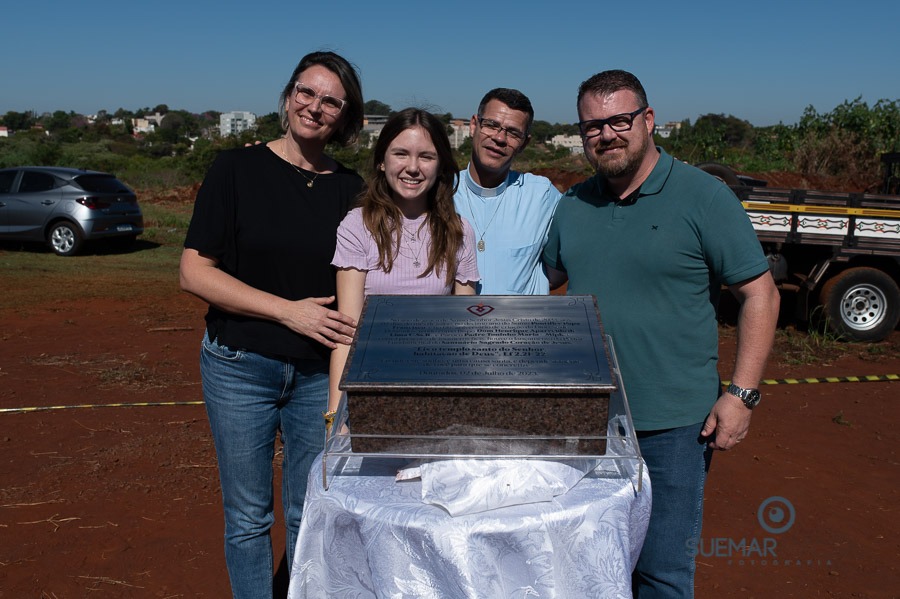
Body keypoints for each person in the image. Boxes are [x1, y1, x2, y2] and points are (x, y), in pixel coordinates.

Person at [542, 70, 780, 598]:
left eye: (619, 121)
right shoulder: (573, 205)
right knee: (586, 567)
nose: (606, 135)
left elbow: (761, 295)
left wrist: (740, 396)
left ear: (648, 121)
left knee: (661, 573)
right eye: (592, 126)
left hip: (673, 426)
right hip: (587, 422)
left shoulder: (704, 197)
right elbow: (540, 280)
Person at [179, 51, 364, 599]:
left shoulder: (351, 190)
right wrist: (289, 310)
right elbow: (194, 272)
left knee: (312, 509)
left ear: (345, 115)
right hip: (240, 366)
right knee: (248, 517)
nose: (315, 107)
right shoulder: (234, 169)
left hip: (316, 378)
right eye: (306, 92)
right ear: (287, 97)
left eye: (331, 100)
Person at [328, 107, 479, 412]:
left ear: (441, 167)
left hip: (436, 390)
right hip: (372, 390)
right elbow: (348, 333)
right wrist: (336, 415)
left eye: (426, 156)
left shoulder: (459, 231)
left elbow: (463, 334)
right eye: (400, 154)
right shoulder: (357, 225)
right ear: (382, 161)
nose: (413, 167)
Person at [453, 88, 561, 295]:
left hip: (523, 326)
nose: (499, 138)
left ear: (524, 143)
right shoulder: (441, 191)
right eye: (491, 125)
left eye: (513, 132)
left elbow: (563, 264)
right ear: (474, 125)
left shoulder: (542, 195)